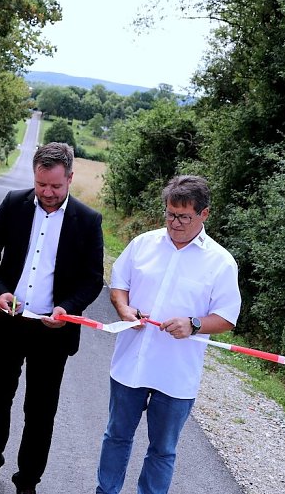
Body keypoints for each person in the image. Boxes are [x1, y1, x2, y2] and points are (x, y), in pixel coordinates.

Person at [0, 142, 105, 494]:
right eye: (41, 185)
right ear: (34, 176)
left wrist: (67, 308)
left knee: (40, 412)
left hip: (53, 331)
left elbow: (92, 279)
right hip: (6, 322)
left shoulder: (87, 220)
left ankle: (27, 483)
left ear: (70, 177)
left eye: (56, 186)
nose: (48, 193)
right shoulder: (13, 204)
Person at [96, 175, 241, 494]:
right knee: (116, 436)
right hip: (130, 363)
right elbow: (118, 285)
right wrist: (124, 309)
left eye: (183, 217)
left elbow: (227, 317)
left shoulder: (221, 263)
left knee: (162, 450)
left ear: (204, 214)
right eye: (170, 214)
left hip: (176, 374)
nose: (174, 223)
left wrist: (195, 324)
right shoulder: (143, 244)